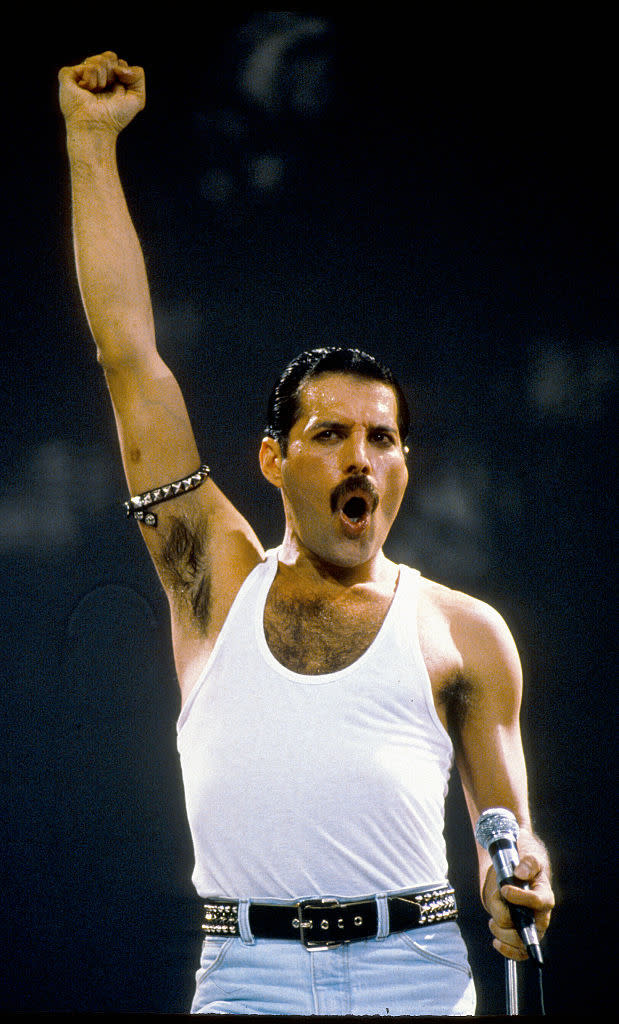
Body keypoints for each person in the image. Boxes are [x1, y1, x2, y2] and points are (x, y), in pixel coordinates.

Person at [58, 51, 554, 1016]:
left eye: (382, 439)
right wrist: (89, 142)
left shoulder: (465, 633)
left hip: (415, 970)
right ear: (275, 460)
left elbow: (508, 829)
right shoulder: (216, 580)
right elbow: (130, 358)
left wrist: (518, 875)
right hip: (247, 977)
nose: (360, 459)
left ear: (405, 464)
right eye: (329, 435)